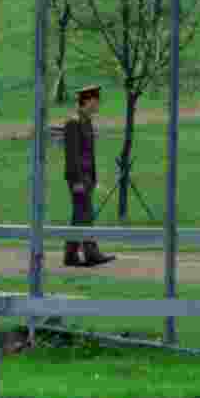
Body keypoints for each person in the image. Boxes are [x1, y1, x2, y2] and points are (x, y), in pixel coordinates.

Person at [63, 85, 115, 268]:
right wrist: (77, 181)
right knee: (85, 215)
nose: (98, 105)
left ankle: (70, 255)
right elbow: (72, 155)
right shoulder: (74, 122)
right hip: (77, 177)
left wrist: (93, 178)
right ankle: (91, 253)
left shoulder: (86, 121)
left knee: (79, 216)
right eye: (96, 101)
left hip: (87, 176)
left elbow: (89, 154)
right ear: (88, 101)